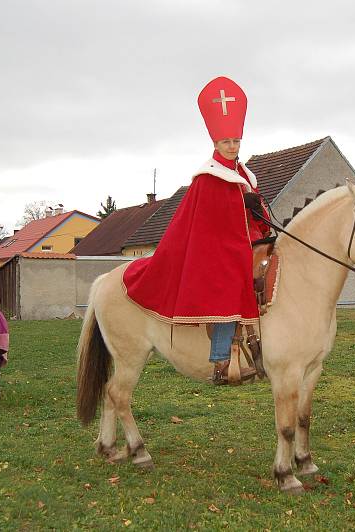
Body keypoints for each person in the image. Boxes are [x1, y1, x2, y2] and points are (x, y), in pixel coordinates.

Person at [123, 76, 270, 384]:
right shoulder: (208, 176)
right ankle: (220, 360)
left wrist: (256, 211)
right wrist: (240, 210)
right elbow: (210, 222)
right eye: (226, 142)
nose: (232, 147)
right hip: (217, 249)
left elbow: (251, 216)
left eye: (236, 142)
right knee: (231, 284)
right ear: (216, 144)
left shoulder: (244, 174)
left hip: (247, 241)